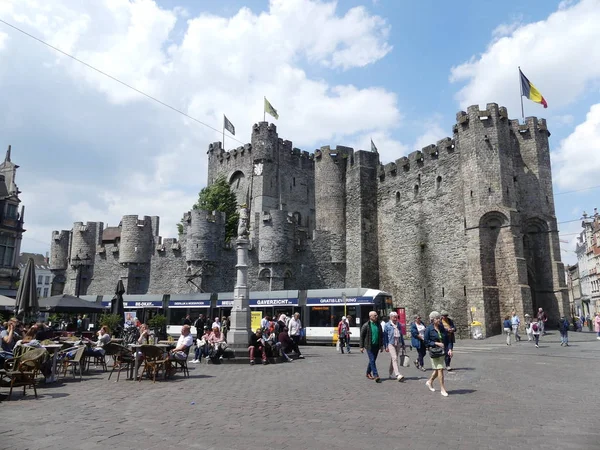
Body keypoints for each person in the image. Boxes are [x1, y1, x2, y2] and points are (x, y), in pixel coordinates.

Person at [424, 311, 450, 397]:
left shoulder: (441, 328)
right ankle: (442, 389)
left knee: (437, 369)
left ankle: (429, 381)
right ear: (432, 320)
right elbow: (426, 342)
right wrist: (436, 343)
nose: (439, 319)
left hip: (442, 352)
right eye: (437, 318)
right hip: (434, 352)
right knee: (440, 369)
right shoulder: (428, 329)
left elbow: (447, 339)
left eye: (439, 318)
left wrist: (449, 349)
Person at [359, 311, 384, 383]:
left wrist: (381, 345)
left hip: (376, 345)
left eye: (376, 315)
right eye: (375, 315)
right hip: (369, 346)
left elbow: (381, 336)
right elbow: (362, 336)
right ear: (370, 317)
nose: (376, 316)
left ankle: (368, 373)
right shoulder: (366, 325)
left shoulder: (378, 325)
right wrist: (361, 346)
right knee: (372, 360)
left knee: (372, 360)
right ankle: (376, 375)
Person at [383, 312, 405, 382]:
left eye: (396, 317)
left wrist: (403, 344)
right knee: (395, 358)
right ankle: (397, 374)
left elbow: (401, 334)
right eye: (394, 317)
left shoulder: (399, 325)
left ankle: (390, 372)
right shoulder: (387, 325)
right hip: (391, 343)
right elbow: (385, 336)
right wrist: (385, 346)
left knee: (393, 358)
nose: (396, 319)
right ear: (391, 317)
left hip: (398, 343)